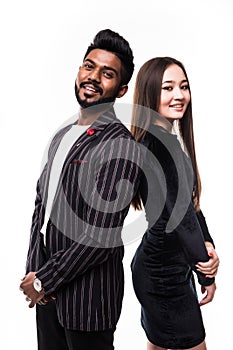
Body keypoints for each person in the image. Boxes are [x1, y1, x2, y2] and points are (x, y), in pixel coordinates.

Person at [19, 29, 142, 350]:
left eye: (107, 74)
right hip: (47, 293)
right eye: (89, 66)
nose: (93, 77)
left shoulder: (120, 145)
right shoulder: (63, 135)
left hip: (89, 298)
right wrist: (34, 271)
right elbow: (40, 206)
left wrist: (46, 279)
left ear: (121, 88)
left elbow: (100, 235)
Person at [130, 57, 219, 350]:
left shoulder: (163, 138)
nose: (179, 95)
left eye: (183, 87)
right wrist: (206, 268)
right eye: (167, 88)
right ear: (149, 93)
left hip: (166, 269)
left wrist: (207, 243)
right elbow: (181, 218)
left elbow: (190, 204)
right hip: (162, 276)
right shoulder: (157, 145)